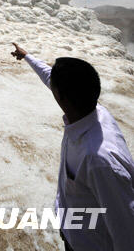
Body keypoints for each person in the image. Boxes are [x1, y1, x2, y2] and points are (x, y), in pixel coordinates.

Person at [11, 42, 134, 251]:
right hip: (73, 230)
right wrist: (27, 56)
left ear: (61, 96)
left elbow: (126, 230)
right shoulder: (93, 109)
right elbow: (50, 77)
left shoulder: (99, 161)